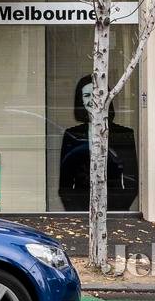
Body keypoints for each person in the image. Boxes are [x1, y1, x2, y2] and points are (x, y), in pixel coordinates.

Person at [57, 74, 139, 212]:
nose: (92, 100)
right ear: (81, 100)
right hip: (80, 210)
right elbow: (65, 183)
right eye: (87, 95)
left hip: (115, 208)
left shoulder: (123, 134)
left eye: (96, 94)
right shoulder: (72, 135)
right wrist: (75, 210)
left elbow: (132, 180)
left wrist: (118, 209)